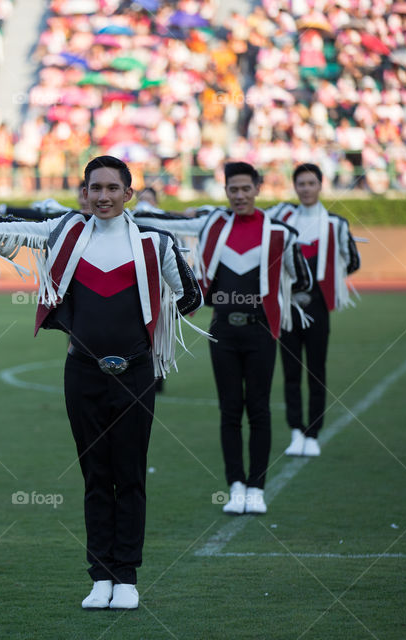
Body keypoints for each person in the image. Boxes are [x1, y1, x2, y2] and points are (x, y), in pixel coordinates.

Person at [0, 156, 203, 610]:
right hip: (81, 372)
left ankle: (128, 577)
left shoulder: (154, 243)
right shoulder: (64, 232)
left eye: (112, 188)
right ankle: (100, 576)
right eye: (94, 188)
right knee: (95, 475)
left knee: (130, 476)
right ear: (84, 192)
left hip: (135, 375)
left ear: (128, 194)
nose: (102, 196)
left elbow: (191, 299)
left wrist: (152, 317)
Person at [132, 162, 312, 516]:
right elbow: (166, 222)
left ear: (257, 188)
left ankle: (257, 487)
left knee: (258, 409)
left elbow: (301, 278)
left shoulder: (279, 232)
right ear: (226, 191)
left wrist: (276, 295)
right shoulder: (212, 223)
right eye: (233, 189)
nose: (240, 195)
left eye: (246, 188)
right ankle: (236, 485)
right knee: (229, 410)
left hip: (261, 332)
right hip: (223, 331)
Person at [266, 164, 360, 457]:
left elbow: (353, 260)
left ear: (320, 186)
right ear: (295, 187)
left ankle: (313, 432)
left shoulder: (336, 224)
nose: (306, 188)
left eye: (311, 183)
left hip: (318, 307)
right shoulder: (282, 219)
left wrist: (332, 269)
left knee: (316, 371)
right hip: (289, 308)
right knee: (291, 371)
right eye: (301, 184)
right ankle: (296, 429)